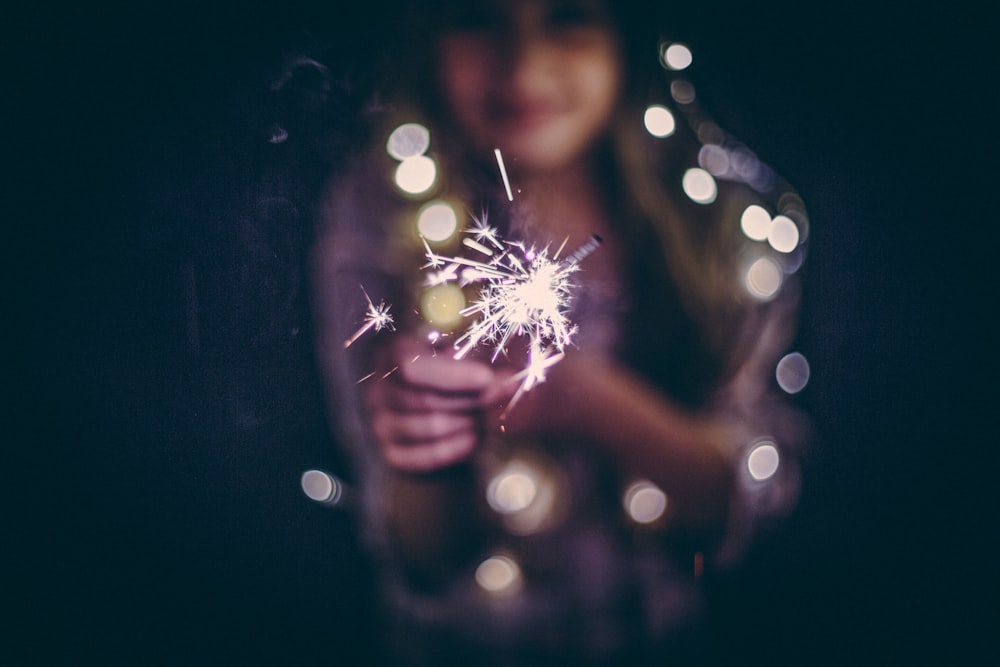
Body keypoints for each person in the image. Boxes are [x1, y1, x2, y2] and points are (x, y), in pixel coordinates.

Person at [310, 1, 809, 663]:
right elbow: (421, 555)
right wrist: (429, 458)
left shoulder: (720, 221)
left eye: (568, 15)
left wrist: (590, 400)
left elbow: (738, 494)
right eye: (477, 16)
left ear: (629, 33)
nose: (525, 65)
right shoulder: (382, 217)